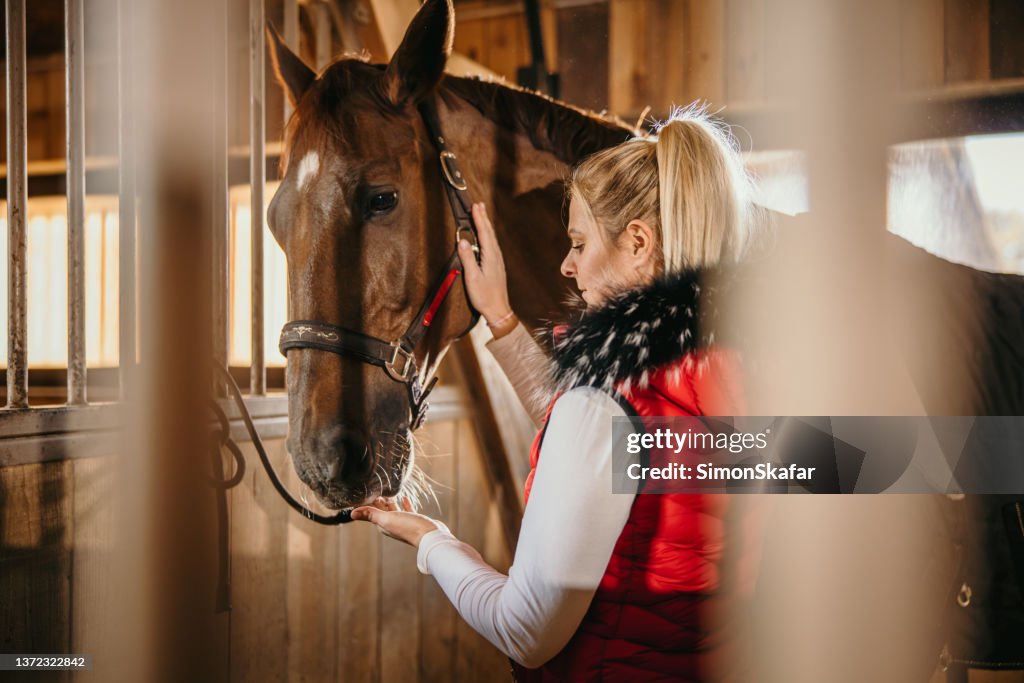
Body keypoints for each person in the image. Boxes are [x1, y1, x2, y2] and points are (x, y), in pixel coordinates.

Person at [352, 108, 761, 681]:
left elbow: (526, 631)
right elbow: (624, 457)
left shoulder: (601, 415)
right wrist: (500, 317)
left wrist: (432, 541)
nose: (567, 266)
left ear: (638, 243)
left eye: (578, 242)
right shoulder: (738, 383)